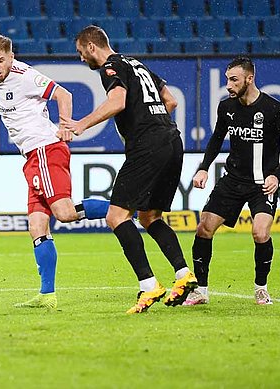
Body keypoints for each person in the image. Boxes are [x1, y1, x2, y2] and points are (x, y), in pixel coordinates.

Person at [0, 34, 110, 310]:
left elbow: (62, 93)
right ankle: (47, 296)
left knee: (65, 214)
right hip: (32, 157)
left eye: (0, 60)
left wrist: (66, 124)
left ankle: (127, 209)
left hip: (45, 150)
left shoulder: (25, 74)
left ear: (11, 56)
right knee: (37, 227)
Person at [64, 25, 197, 314]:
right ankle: (183, 274)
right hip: (172, 140)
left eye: (80, 52)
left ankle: (149, 287)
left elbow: (118, 102)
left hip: (148, 145)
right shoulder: (138, 64)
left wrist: (80, 124)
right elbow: (170, 101)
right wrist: (153, 123)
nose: (80, 58)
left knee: (116, 216)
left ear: (90, 46)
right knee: (150, 217)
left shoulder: (111, 67)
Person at [184, 56, 280, 306]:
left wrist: (276, 175)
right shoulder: (226, 107)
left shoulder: (273, 108)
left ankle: (261, 288)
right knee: (204, 228)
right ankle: (201, 291)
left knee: (260, 233)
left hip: (261, 185)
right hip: (232, 181)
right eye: (227, 79)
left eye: (233, 79)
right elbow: (216, 139)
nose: (228, 85)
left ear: (250, 79)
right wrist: (203, 168)